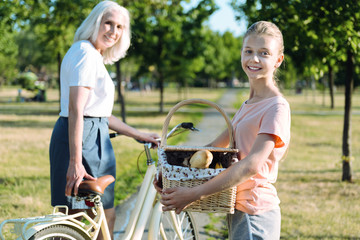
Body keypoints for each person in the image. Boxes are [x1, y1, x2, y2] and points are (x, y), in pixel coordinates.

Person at [157, 21, 291, 240]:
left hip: (255, 211)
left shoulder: (276, 106)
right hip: (239, 209)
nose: (254, 59)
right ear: (241, 54)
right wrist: (172, 171)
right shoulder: (248, 105)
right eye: (248, 51)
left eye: (264, 53)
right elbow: (213, 149)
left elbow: (251, 165)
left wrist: (193, 194)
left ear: (278, 60)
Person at [49, 1, 159, 239]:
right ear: (95, 22)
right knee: (82, 220)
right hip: (81, 140)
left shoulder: (92, 55)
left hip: (94, 137)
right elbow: (76, 109)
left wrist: (138, 134)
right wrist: (75, 162)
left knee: (104, 217)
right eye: (108, 23)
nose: (113, 31)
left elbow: (100, 113)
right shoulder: (84, 53)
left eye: (119, 27)